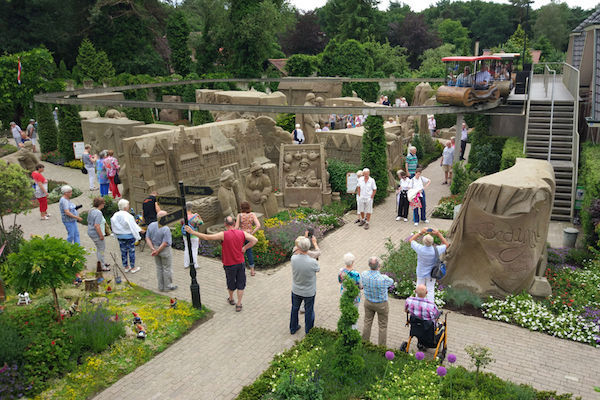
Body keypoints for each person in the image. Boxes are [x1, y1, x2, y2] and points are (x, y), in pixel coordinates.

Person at [185, 216, 257, 312]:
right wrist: (245, 248)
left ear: (225, 224)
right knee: (241, 283)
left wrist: (192, 232)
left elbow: (207, 237)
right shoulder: (242, 233)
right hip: (240, 262)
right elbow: (255, 240)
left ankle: (231, 299)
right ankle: (239, 304)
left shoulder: (223, 234)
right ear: (234, 223)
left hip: (229, 264)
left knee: (230, 282)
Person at [409, 228, 449, 302]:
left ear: (423, 242)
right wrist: (438, 234)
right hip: (432, 273)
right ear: (432, 242)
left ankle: (418, 303)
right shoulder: (436, 249)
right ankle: (430, 305)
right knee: (430, 290)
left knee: (419, 288)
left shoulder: (420, 248)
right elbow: (446, 244)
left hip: (420, 272)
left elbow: (411, 240)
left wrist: (420, 232)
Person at [361, 256, 394, 346]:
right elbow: (391, 282)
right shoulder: (383, 278)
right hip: (381, 304)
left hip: (368, 302)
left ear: (369, 265)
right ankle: (381, 347)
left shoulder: (364, 274)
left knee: (367, 322)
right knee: (382, 326)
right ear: (379, 265)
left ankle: (364, 343)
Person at [290, 236, 320, 334]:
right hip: (309, 291)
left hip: (296, 289)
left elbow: (295, 250)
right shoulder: (313, 262)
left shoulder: (293, 259)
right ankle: (309, 332)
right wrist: (315, 244)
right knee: (309, 311)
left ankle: (293, 328)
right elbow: (317, 269)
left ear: (298, 247)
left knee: (294, 309)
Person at [146, 210, 178, 292]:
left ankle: (160, 287)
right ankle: (167, 287)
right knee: (167, 268)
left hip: (155, 247)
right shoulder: (165, 228)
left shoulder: (151, 225)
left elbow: (147, 238)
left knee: (159, 268)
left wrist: (152, 249)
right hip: (164, 250)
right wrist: (158, 250)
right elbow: (165, 243)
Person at [111, 199, 142, 273]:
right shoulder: (128, 216)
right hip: (129, 236)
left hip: (120, 236)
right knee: (131, 251)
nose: (129, 206)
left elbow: (113, 223)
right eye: (128, 205)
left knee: (123, 251)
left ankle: (126, 266)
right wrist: (139, 231)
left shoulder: (116, 215)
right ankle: (133, 267)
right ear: (125, 207)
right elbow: (133, 226)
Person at [235, 201, 260, 276]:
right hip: (249, 235)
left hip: (241, 235)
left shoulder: (239, 215)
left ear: (241, 208)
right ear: (249, 207)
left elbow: (236, 227)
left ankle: (239, 270)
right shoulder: (253, 215)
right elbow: (258, 225)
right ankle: (252, 271)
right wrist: (252, 233)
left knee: (239, 252)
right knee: (249, 252)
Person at [338, 252, 362, 330]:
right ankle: (353, 328)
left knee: (345, 310)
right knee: (354, 311)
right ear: (352, 262)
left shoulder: (341, 271)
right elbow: (360, 286)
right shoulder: (356, 274)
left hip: (344, 293)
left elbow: (340, 281)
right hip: (354, 295)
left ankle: (345, 327)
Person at [87, 197, 110, 271]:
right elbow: (97, 225)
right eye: (103, 203)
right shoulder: (98, 213)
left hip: (90, 231)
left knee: (99, 248)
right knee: (101, 249)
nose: (104, 205)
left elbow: (88, 220)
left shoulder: (91, 210)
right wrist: (101, 235)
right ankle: (102, 266)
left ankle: (102, 262)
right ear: (101, 204)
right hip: (96, 233)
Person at [181, 202, 202, 269]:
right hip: (194, 234)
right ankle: (195, 264)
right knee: (194, 249)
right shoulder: (195, 217)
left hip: (185, 235)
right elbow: (201, 223)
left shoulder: (183, 217)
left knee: (187, 248)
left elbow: (181, 224)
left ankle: (186, 264)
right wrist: (199, 216)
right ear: (191, 208)